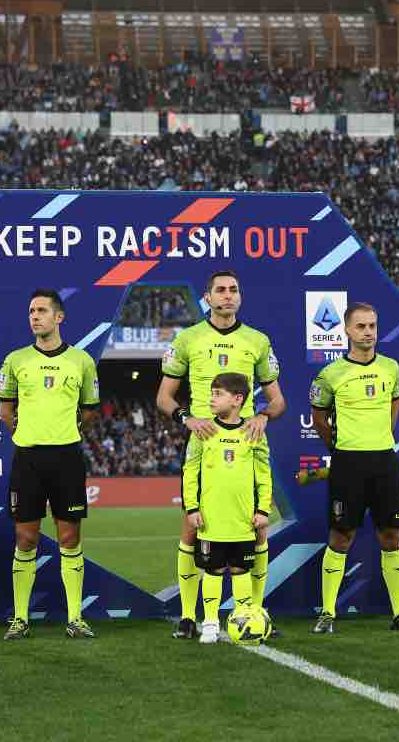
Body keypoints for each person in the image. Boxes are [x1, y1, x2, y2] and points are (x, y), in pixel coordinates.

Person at [156, 270, 285, 640]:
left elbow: (278, 401)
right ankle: (187, 616)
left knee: (256, 529)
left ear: (240, 297)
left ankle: (254, 613)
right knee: (192, 528)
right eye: (220, 291)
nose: (228, 296)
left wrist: (261, 415)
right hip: (205, 444)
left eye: (234, 290)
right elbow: (164, 397)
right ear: (207, 298)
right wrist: (187, 417)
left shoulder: (257, 341)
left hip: (246, 444)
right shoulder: (188, 339)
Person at [0, 289, 100, 641]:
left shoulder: (82, 361)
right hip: (28, 458)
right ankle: (20, 618)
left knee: (69, 536)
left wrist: (64, 431)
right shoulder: (16, 360)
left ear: (59, 317)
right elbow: (6, 411)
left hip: (67, 457)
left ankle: (75, 617)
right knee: (25, 537)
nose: (34, 316)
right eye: (30, 311)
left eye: (41, 310)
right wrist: (28, 433)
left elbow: (89, 408)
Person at [308, 302, 399, 634]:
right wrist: (340, 446)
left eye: (372, 326)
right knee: (341, 536)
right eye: (361, 326)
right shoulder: (330, 374)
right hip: (348, 463)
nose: (368, 332)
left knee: (392, 535)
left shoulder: (391, 368)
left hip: (385, 461)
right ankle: (327, 613)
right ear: (346, 330)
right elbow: (319, 416)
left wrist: (379, 435)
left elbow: (395, 403)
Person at [182, 372, 272, 644]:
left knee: (241, 570)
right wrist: (192, 508)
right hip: (211, 519)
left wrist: (263, 510)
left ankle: (244, 617)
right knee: (212, 570)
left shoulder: (253, 432)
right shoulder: (202, 432)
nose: (211, 398)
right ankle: (209, 622)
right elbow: (190, 471)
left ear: (237, 399)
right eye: (211, 393)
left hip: (243, 520)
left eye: (218, 394)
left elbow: (263, 474)